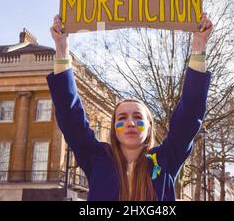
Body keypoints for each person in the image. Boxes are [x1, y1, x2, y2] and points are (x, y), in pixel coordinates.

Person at [47, 13, 212, 201]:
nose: (130, 123)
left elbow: (190, 114)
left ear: (150, 126)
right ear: (114, 127)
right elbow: (70, 116)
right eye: (122, 118)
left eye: (138, 117)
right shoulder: (97, 158)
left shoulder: (166, 159)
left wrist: (199, 46)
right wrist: (61, 47)